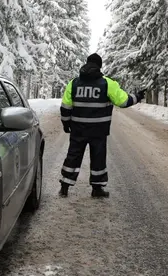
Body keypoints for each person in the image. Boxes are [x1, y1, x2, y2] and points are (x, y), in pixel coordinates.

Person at [59, 53, 146, 198]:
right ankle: (97, 189)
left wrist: (66, 123)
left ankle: (64, 187)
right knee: (98, 158)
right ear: (100, 66)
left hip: (78, 129)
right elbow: (123, 102)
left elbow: (65, 106)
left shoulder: (74, 83)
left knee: (73, 156)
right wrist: (137, 97)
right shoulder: (107, 83)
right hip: (98, 131)